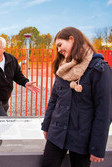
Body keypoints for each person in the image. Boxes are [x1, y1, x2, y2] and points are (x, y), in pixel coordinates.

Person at [41, 27, 112, 167]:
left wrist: (97, 148)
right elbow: (54, 100)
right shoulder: (62, 68)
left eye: (60, 45)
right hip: (57, 134)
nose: (59, 50)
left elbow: (104, 111)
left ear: (72, 39)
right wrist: (47, 126)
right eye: (57, 47)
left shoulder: (99, 69)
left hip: (82, 138)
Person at [0, 36, 40, 117]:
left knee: (1, 122)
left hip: (5, 98)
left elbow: (17, 75)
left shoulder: (11, 59)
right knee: (4, 120)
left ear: (4, 49)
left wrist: (25, 83)